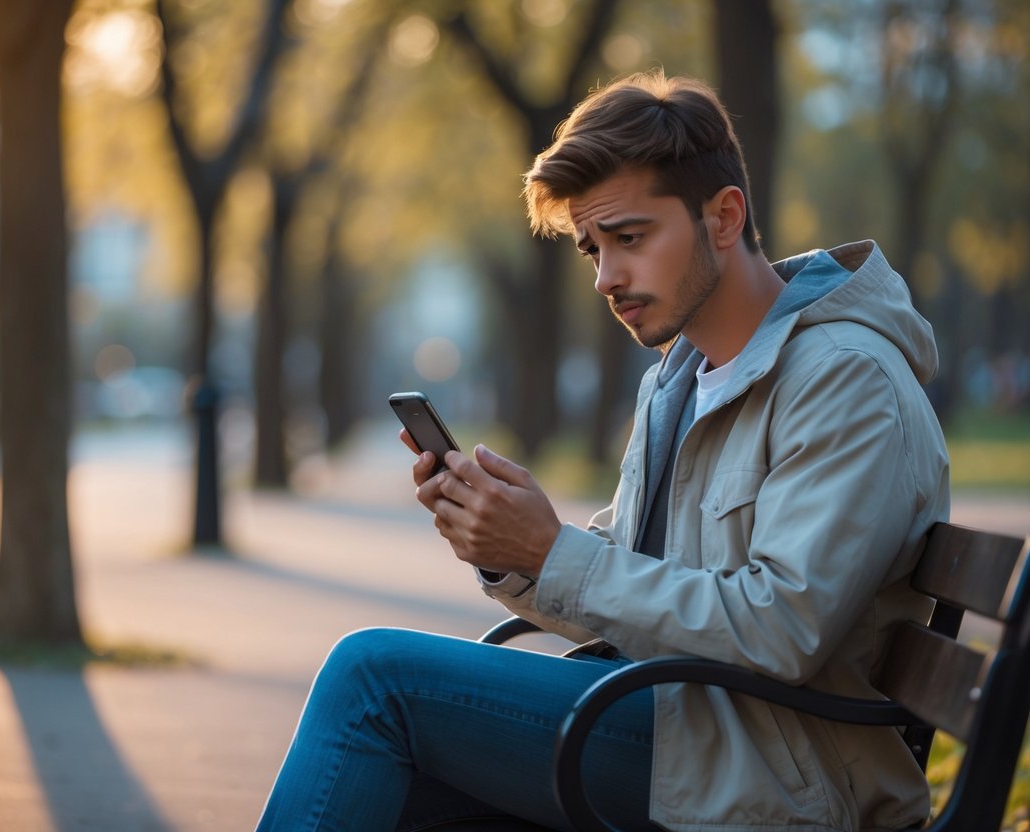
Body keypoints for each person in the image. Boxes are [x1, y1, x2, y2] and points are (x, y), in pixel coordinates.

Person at [256, 69, 949, 831]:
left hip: (775, 774)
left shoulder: (842, 377)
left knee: (374, 680)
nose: (606, 278)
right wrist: (511, 550)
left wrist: (552, 554)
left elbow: (779, 628)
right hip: (677, 720)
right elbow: (624, 584)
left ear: (723, 217)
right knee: (396, 769)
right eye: (591, 250)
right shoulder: (679, 382)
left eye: (629, 238)